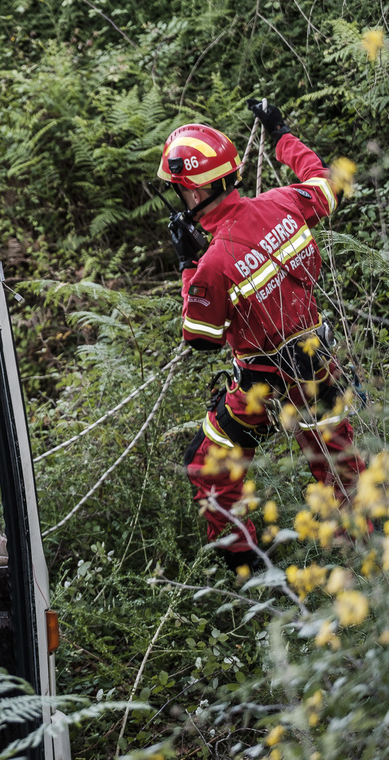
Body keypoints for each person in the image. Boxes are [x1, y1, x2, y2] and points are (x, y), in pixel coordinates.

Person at [156, 99, 364, 571]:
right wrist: (281, 133)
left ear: (194, 191)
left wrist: (188, 265)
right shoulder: (283, 202)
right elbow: (327, 183)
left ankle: (249, 570)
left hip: (261, 390)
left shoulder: (213, 263)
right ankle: (366, 564)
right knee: (345, 475)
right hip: (320, 367)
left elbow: (200, 336)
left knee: (206, 468)